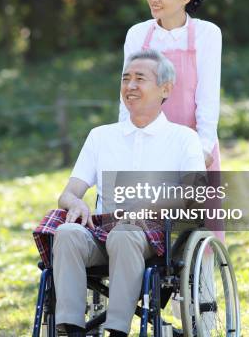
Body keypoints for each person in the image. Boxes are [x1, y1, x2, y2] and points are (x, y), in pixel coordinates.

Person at [35, 50, 205, 337]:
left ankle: (116, 331)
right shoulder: (101, 136)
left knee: (124, 234)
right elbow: (68, 193)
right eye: (126, 79)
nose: (131, 86)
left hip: (153, 235)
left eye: (140, 79)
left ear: (165, 88)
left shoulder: (183, 138)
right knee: (66, 233)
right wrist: (76, 204)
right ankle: (71, 329)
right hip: (101, 231)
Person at [119, 0, 222, 171]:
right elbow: (128, 97)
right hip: (146, 146)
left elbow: (208, 97)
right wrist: (125, 143)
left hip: (193, 147)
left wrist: (203, 148)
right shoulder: (137, 35)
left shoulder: (207, 34)